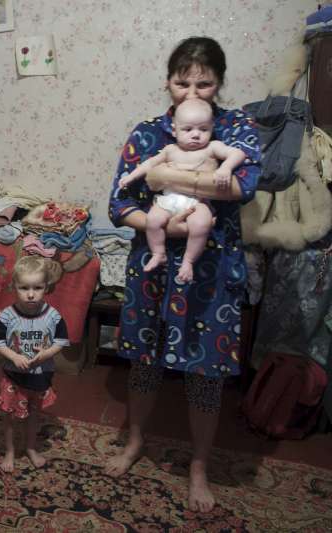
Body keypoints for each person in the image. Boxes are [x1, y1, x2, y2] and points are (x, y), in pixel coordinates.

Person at [105, 36, 260, 513]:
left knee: (206, 373)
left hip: (212, 269)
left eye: (204, 83)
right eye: (181, 82)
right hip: (153, 265)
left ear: (220, 83)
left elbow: (245, 185)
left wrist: (165, 178)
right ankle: (135, 440)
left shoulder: (236, 127)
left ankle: (198, 464)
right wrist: (165, 222)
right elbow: (119, 203)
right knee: (144, 363)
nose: (192, 91)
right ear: (167, 83)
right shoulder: (148, 131)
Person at [118, 98, 247, 282]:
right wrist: (130, 177)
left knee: (201, 225)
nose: (196, 135)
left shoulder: (212, 148)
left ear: (212, 128)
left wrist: (225, 168)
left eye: (203, 129)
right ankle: (158, 253)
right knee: (153, 220)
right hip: (169, 198)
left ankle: (188, 261)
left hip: (198, 202)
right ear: (174, 130)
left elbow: (238, 153)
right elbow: (149, 164)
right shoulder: (170, 150)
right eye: (188, 129)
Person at [0, 255, 68, 472]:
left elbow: (61, 341)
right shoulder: (7, 316)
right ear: (14, 286)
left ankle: (31, 447)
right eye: (24, 288)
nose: (31, 294)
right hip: (13, 377)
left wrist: (46, 353)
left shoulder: (53, 316)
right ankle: (10, 450)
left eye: (37, 288)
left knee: (34, 414)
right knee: (10, 417)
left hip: (41, 376)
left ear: (46, 287)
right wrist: (13, 357)